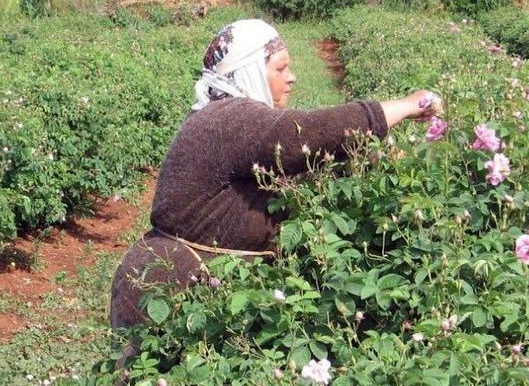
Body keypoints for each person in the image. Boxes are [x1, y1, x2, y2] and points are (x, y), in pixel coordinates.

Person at [109, 19, 437, 328]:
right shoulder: (227, 119)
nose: (291, 77)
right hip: (170, 294)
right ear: (249, 72)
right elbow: (303, 135)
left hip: (182, 288)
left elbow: (296, 173)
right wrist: (407, 106)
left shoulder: (221, 117)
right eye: (280, 68)